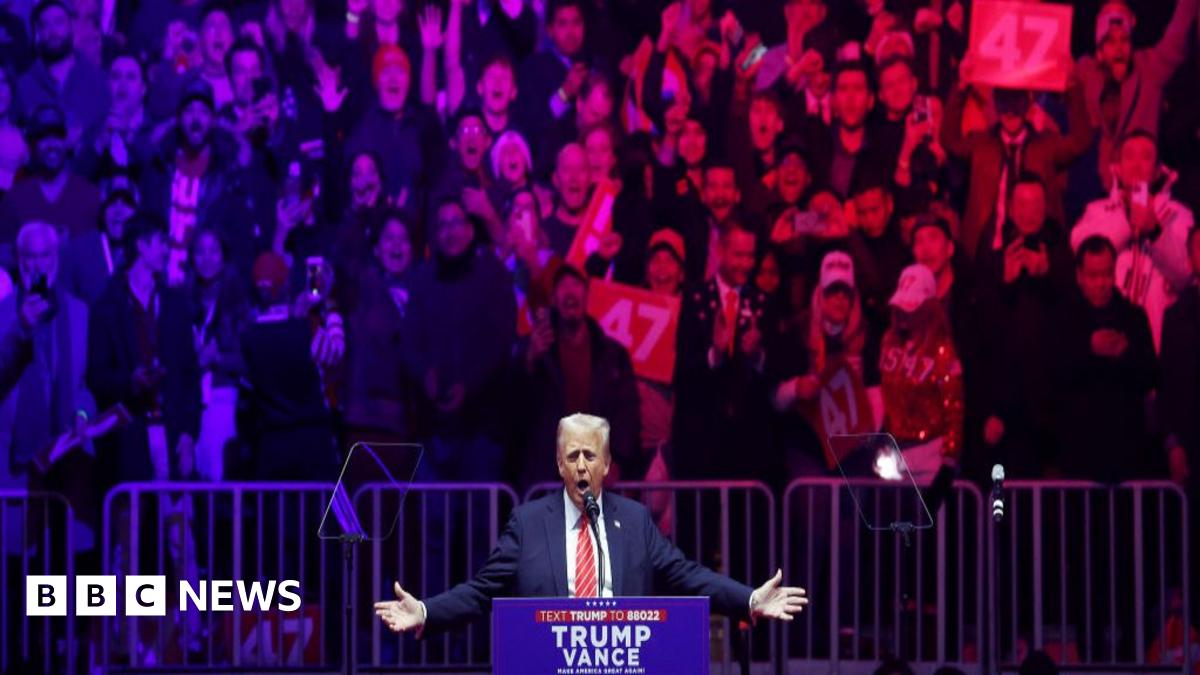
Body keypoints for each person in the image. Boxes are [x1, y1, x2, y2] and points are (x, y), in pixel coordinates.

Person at [374, 413, 809, 633]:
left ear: (607, 465)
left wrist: (748, 599)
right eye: (572, 456)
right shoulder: (527, 524)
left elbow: (688, 576)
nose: (581, 466)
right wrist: (427, 612)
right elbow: (480, 592)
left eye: (590, 456)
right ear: (559, 465)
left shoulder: (635, 522)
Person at [974, 174, 1074, 478]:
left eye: (1036, 204)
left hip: (1053, 407)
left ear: (1046, 209)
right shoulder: (992, 259)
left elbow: (1072, 322)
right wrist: (1005, 285)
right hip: (1005, 409)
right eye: (1022, 204)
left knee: (1052, 507)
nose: (1029, 212)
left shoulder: (1064, 257)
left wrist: (1048, 274)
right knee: (1002, 504)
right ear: (1011, 209)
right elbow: (984, 339)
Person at [941, 79, 1094, 260]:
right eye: (1004, 100)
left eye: (1017, 100)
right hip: (987, 250)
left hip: (1038, 250)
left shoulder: (1046, 145)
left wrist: (1072, 89)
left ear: (1028, 103)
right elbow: (950, 141)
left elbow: (1081, 141)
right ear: (996, 104)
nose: (1011, 109)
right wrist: (960, 88)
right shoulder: (980, 144)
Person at [673, 221, 778, 483]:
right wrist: (715, 354)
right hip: (701, 438)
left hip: (748, 444)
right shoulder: (693, 299)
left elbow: (777, 374)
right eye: (738, 255)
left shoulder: (763, 304)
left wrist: (758, 357)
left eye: (750, 256)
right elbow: (682, 371)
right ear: (720, 250)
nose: (745, 264)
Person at [518, 265, 640, 488]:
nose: (570, 292)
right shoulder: (537, 351)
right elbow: (516, 410)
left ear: (586, 295)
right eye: (562, 286)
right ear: (554, 299)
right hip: (550, 475)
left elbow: (627, 412)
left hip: (598, 473)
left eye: (576, 285)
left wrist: (618, 462)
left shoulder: (613, 354)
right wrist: (528, 362)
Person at [1070, 130, 1192, 351]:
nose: (1137, 164)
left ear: (1157, 170)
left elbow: (1186, 275)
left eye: (1146, 157)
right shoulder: (1097, 210)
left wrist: (1155, 231)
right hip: (1104, 335)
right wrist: (1128, 220)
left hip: (1161, 340)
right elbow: (1082, 252)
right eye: (1129, 156)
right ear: (1117, 166)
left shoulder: (1178, 214)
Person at [1054, 235, 1156, 482]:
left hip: (1126, 453)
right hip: (1078, 455)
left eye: (1107, 274)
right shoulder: (1062, 320)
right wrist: (1087, 350)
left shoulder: (1133, 318)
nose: (1101, 283)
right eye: (1093, 275)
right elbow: (1051, 377)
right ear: (1079, 276)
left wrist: (1126, 354)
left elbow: (1152, 376)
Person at [1076, 0, 1199, 189]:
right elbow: (1050, 65)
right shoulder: (1089, 71)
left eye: (1124, 40)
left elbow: (1177, 35)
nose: (1119, 48)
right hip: (1105, 183)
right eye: (1110, 41)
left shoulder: (1149, 69)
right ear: (1100, 52)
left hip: (1144, 182)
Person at [879, 263, 963, 486]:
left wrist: (950, 457)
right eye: (902, 307)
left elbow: (953, 404)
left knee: (931, 519)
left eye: (912, 307)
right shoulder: (889, 342)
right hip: (894, 454)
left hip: (931, 456)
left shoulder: (942, 349)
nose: (906, 314)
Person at [0, 103, 101, 264]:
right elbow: (3, 259)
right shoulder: (14, 199)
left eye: (57, 136)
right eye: (43, 138)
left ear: (67, 141)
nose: (51, 145)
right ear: (31, 145)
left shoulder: (90, 196)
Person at [16, 0, 110, 138]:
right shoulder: (24, 85)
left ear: (71, 25)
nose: (52, 31)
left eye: (58, 22)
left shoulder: (98, 80)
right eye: (44, 25)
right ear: (37, 34)